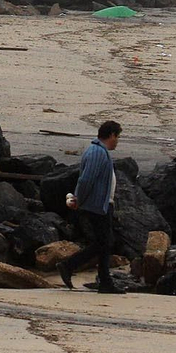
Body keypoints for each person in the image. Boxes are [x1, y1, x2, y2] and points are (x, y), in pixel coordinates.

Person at [59, 119, 122, 294]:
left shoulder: (100, 151)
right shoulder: (97, 152)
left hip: (101, 204)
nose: (118, 141)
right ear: (111, 135)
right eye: (117, 137)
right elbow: (86, 179)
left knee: (103, 243)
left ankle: (105, 282)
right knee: (103, 243)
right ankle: (68, 265)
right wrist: (79, 199)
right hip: (96, 205)